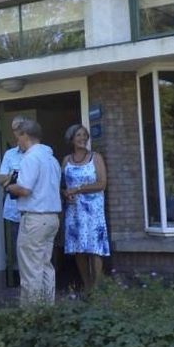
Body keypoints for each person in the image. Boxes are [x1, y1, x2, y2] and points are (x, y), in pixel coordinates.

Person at [4, 119, 62, 305]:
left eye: (18, 137)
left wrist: (10, 187)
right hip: (52, 217)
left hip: (34, 219)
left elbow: (25, 189)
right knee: (45, 266)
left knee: (30, 270)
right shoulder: (51, 159)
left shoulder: (30, 158)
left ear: (25, 136)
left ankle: (32, 316)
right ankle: (48, 309)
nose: (17, 142)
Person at [62, 124, 109, 293]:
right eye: (78, 136)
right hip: (74, 211)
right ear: (72, 139)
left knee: (94, 248)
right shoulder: (67, 160)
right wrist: (66, 193)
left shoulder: (95, 157)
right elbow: (62, 185)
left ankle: (97, 288)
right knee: (78, 249)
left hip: (93, 210)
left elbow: (102, 183)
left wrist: (78, 189)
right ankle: (87, 285)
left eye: (84, 136)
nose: (82, 139)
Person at [0, 116, 28, 286]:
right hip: (13, 208)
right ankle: (17, 280)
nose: (19, 132)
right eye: (16, 129)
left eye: (21, 128)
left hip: (33, 208)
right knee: (16, 246)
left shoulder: (38, 152)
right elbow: (1, 179)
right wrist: (14, 175)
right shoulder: (10, 154)